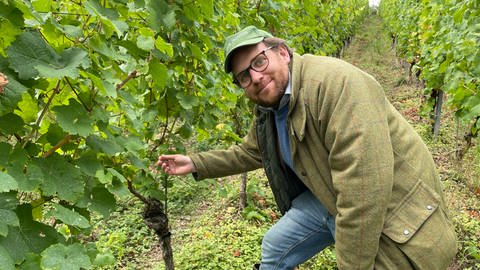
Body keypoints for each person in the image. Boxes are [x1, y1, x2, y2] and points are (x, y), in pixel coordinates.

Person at [157, 26, 457, 269]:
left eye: (258, 62)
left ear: (283, 53)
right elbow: (251, 151)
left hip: (394, 214)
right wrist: (195, 163)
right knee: (274, 248)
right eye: (244, 77)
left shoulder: (336, 85)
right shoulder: (270, 106)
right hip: (327, 196)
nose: (255, 77)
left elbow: (364, 193)